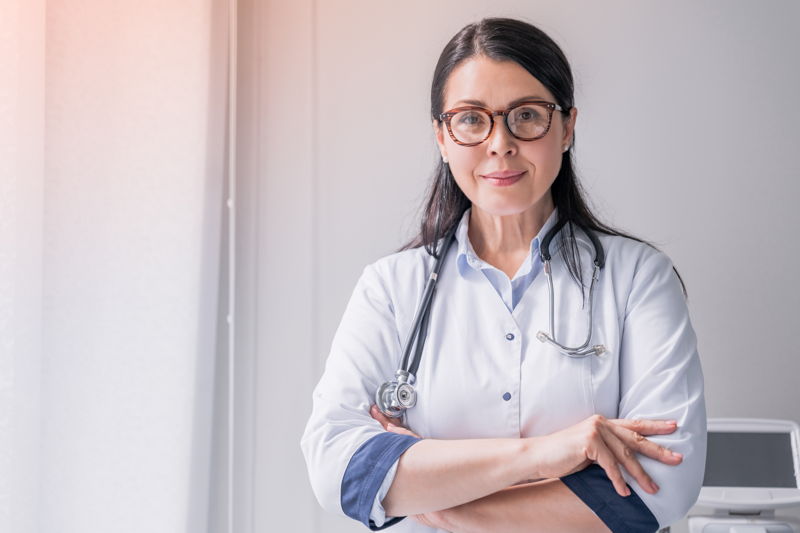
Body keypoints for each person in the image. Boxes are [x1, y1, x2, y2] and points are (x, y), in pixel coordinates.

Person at [300, 16, 706, 533]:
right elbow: (339, 469)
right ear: (442, 137)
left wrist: (443, 503)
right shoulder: (390, 288)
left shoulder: (638, 280)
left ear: (567, 128)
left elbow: (657, 486)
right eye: (471, 119)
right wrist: (544, 455)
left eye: (527, 115)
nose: (499, 143)